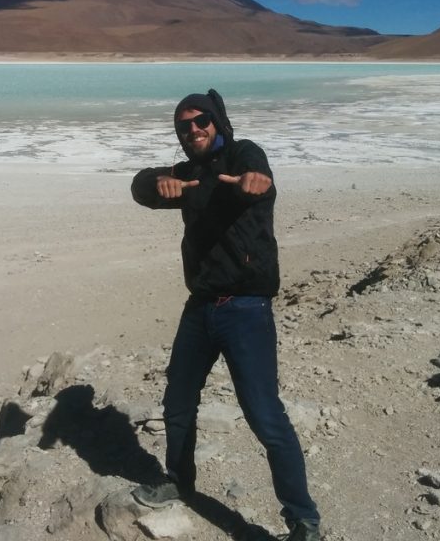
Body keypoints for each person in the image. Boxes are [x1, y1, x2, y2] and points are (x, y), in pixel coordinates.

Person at [130, 89, 321, 541]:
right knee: (178, 401)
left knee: (264, 416)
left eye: (201, 122)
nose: (193, 130)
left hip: (246, 309)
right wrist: (158, 184)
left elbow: (259, 171)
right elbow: (139, 185)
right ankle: (179, 479)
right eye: (184, 126)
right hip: (199, 308)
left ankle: (303, 519)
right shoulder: (188, 174)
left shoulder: (242, 154)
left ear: (218, 121)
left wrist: (257, 180)